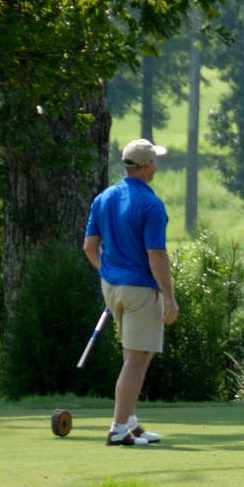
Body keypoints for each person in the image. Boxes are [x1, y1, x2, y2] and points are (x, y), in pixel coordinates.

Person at [82, 138, 178, 448]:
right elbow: (156, 256)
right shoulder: (151, 204)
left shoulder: (104, 197)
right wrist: (170, 298)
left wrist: (109, 274)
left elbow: (89, 247)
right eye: (155, 161)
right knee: (136, 360)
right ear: (148, 166)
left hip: (112, 287)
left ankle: (131, 423)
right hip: (139, 289)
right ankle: (118, 428)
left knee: (133, 355)